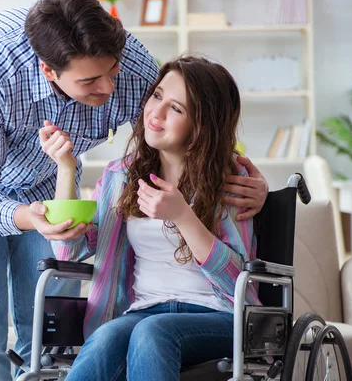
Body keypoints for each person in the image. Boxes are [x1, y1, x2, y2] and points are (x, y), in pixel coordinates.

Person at [0, 0, 267, 380]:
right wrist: (42, 202)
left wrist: (253, 181)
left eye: (112, 72)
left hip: (49, 178)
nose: (110, 89)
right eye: (89, 82)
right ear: (49, 71)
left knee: (45, 336)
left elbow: (204, 128)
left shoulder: (135, 72)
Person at [40, 55, 264, 381]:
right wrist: (66, 167)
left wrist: (183, 216)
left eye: (176, 108)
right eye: (157, 96)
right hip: (143, 310)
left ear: (201, 125)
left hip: (220, 315)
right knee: (106, 337)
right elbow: (67, 252)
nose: (155, 113)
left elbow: (237, 280)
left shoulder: (231, 179)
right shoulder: (121, 176)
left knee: (153, 331)